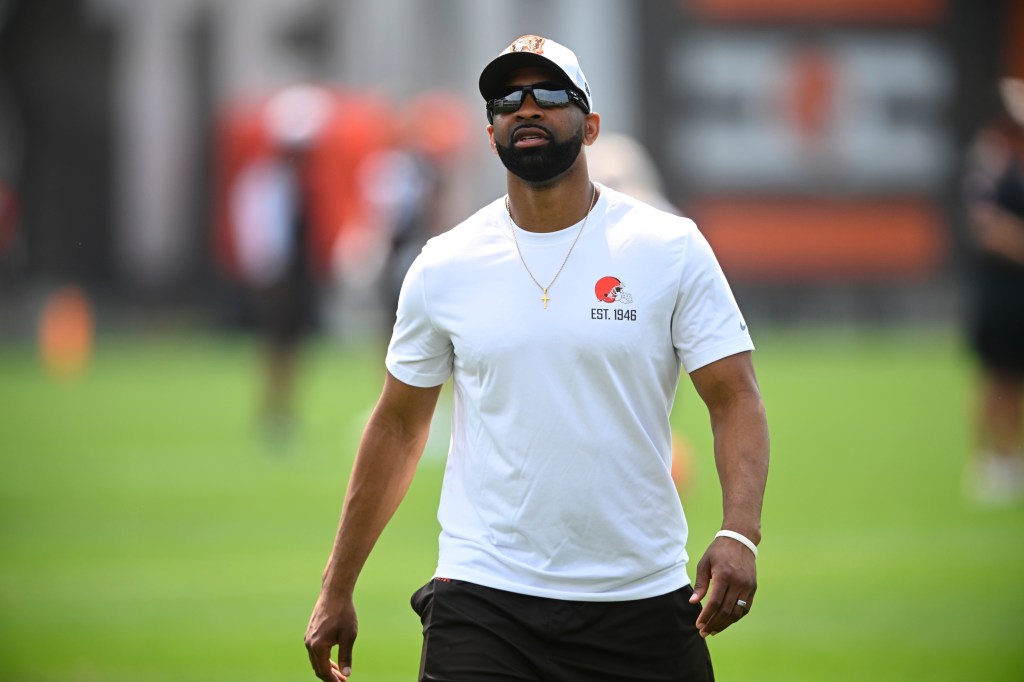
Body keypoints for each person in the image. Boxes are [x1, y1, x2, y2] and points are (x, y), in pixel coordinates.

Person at [304, 35, 770, 681]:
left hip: (638, 597)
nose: (526, 108)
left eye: (549, 95)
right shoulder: (444, 264)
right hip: (483, 600)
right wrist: (336, 586)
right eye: (506, 100)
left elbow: (735, 396)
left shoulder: (668, 246)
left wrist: (739, 532)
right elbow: (398, 425)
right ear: (490, 132)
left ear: (590, 125)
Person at [962, 77, 1024, 504]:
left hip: (1018, 289)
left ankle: (1010, 455)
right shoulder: (989, 156)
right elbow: (985, 225)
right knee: (995, 375)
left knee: (1016, 375)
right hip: (999, 288)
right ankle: (986, 459)